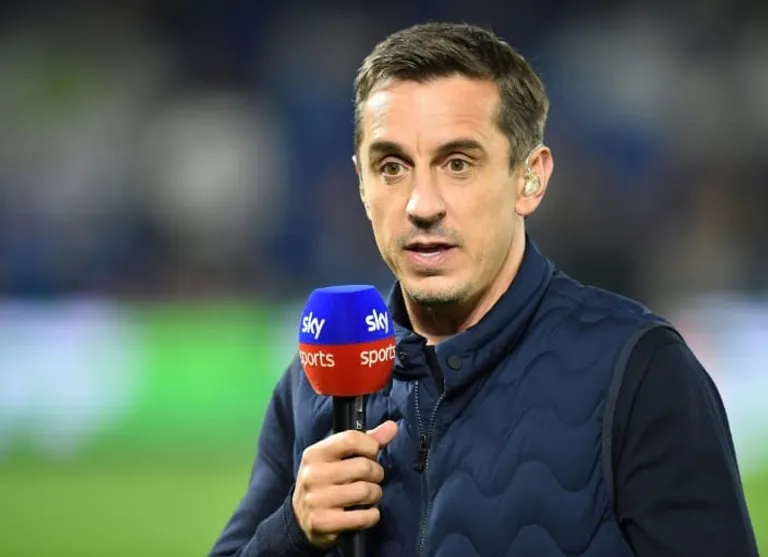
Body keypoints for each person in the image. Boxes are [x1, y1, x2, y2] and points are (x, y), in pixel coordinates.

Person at [209, 22, 759, 557]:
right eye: (392, 167)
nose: (422, 204)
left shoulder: (640, 370)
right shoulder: (315, 384)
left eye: (457, 163)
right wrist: (292, 532)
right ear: (361, 183)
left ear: (530, 179)